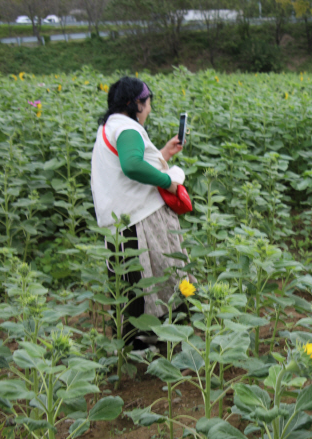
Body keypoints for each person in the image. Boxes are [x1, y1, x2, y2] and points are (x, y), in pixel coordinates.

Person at [90, 76, 193, 349]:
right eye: (147, 103)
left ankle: (135, 346)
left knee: (131, 285)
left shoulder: (110, 127)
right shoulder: (127, 129)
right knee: (158, 281)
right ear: (136, 103)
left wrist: (164, 155)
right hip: (138, 221)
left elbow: (128, 169)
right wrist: (169, 181)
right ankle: (163, 345)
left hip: (120, 223)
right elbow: (132, 166)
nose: (149, 109)